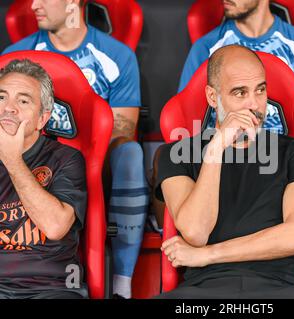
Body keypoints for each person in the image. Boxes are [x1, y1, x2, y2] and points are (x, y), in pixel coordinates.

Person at [152, 0, 294, 298]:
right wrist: (216, 148)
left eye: (260, 90)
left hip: (282, 290)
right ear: (212, 96)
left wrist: (208, 255)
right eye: (239, 93)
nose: (254, 105)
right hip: (203, 293)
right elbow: (195, 231)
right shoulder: (177, 154)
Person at [2, 0, 148, 299]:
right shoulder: (15, 57)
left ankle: (122, 284)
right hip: (22, 155)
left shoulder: (116, 56)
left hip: (88, 161)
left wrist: (79, 157)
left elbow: (122, 129)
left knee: (129, 153)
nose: (33, 5)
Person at [0, 59, 87, 299]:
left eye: (23, 100)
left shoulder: (66, 159)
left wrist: (12, 161)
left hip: (51, 288)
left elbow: (55, 226)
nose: (9, 107)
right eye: (1, 97)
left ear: (42, 119)